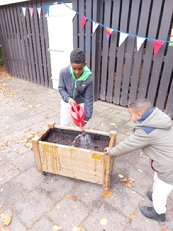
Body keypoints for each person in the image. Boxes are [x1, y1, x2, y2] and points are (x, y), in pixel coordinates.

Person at [105, 99, 173, 222]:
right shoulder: (158, 118)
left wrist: (111, 151)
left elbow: (127, 145)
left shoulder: (147, 131)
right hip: (166, 160)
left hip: (169, 168)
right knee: (158, 182)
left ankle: (159, 213)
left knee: (161, 189)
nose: (130, 117)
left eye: (131, 114)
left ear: (139, 115)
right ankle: (156, 197)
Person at [58, 48, 93, 126]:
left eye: (80, 69)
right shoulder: (64, 72)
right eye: (74, 69)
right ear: (70, 64)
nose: (77, 72)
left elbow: (88, 99)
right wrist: (68, 99)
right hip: (67, 101)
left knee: (79, 125)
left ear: (85, 64)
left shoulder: (88, 79)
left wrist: (86, 118)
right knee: (64, 124)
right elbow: (61, 88)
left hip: (80, 103)